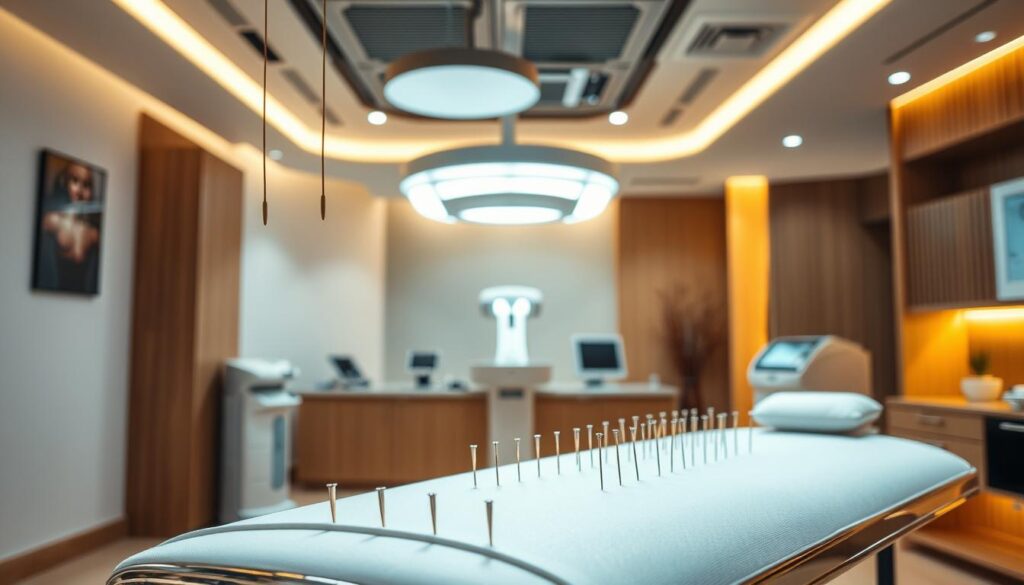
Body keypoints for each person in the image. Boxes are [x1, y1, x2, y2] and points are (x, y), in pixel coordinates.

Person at [34, 159, 103, 294]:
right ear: (64, 182)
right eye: (75, 181)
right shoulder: (53, 220)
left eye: (87, 185)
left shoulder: (93, 233)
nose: (80, 190)